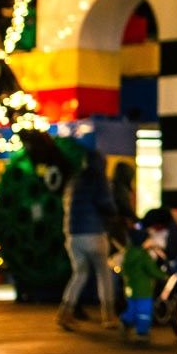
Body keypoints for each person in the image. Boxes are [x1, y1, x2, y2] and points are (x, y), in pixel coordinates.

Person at [58, 139, 117, 331]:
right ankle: (108, 315)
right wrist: (114, 215)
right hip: (94, 233)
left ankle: (65, 311)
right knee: (104, 273)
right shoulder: (98, 180)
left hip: (73, 235)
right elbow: (106, 204)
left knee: (80, 273)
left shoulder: (75, 181)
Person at [118, 215, 173, 346]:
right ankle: (142, 333)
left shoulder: (128, 254)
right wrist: (164, 276)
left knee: (132, 308)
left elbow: (124, 269)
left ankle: (125, 321)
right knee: (144, 312)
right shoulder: (144, 256)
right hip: (144, 290)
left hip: (130, 288)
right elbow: (152, 270)